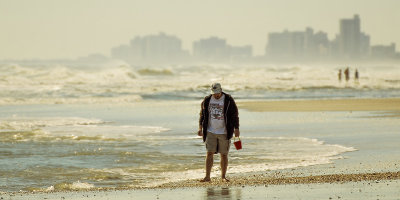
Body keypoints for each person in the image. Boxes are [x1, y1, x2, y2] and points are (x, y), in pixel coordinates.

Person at [198, 83, 240, 182]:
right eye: (214, 93)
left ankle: (223, 177)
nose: (216, 95)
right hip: (210, 130)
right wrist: (200, 128)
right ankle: (207, 177)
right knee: (209, 153)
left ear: (221, 90)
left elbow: (235, 114)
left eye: (217, 93)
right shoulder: (207, 100)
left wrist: (236, 128)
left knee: (224, 154)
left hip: (224, 131)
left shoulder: (228, 99)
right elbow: (202, 115)